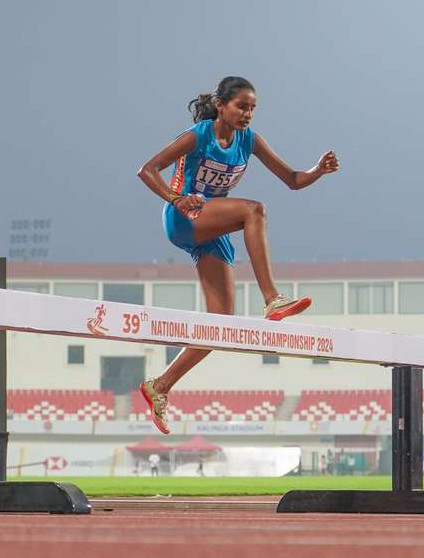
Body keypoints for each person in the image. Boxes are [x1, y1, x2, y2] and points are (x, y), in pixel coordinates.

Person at [136, 76, 339, 434]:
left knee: (221, 324)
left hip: (211, 228)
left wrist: (317, 171)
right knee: (253, 210)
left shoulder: (249, 140)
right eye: (241, 106)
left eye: (252, 108)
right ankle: (272, 299)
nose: (247, 114)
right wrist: (175, 198)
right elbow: (147, 170)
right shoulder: (198, 135)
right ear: (221, 106)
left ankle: (160, 386)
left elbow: (292, 179)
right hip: (185, 217)